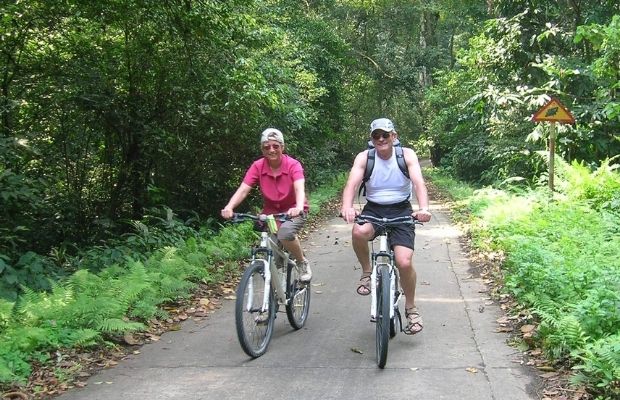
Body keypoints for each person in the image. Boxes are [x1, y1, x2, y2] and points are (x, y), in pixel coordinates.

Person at [340, 117, 432, 335]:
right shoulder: (365, 157)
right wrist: (347, 207)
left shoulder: (406, 154)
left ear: (394, 136)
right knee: (359, 231)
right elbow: (351, 184)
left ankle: (411, 309)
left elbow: (418, 182)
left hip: (401, 209)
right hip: (374, 208)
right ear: (371, 139)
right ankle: (366, 272)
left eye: (385, 135)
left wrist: (424, 208)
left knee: (403, 261)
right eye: (376, 135)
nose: (381, 139)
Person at [221, 128, 312, 282]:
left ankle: (302, 262)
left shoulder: (293, 164)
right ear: (262, 149)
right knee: (274, 258)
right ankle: (274, 297)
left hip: (293, 211)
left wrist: (298, 207)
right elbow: (243, 190)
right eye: (267, 146)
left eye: (276, 146)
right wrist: (229, 207)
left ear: (282, 147)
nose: (271, 150)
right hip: (271, 215)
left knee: (285, 234)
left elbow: (299, 187)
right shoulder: (258, 166)